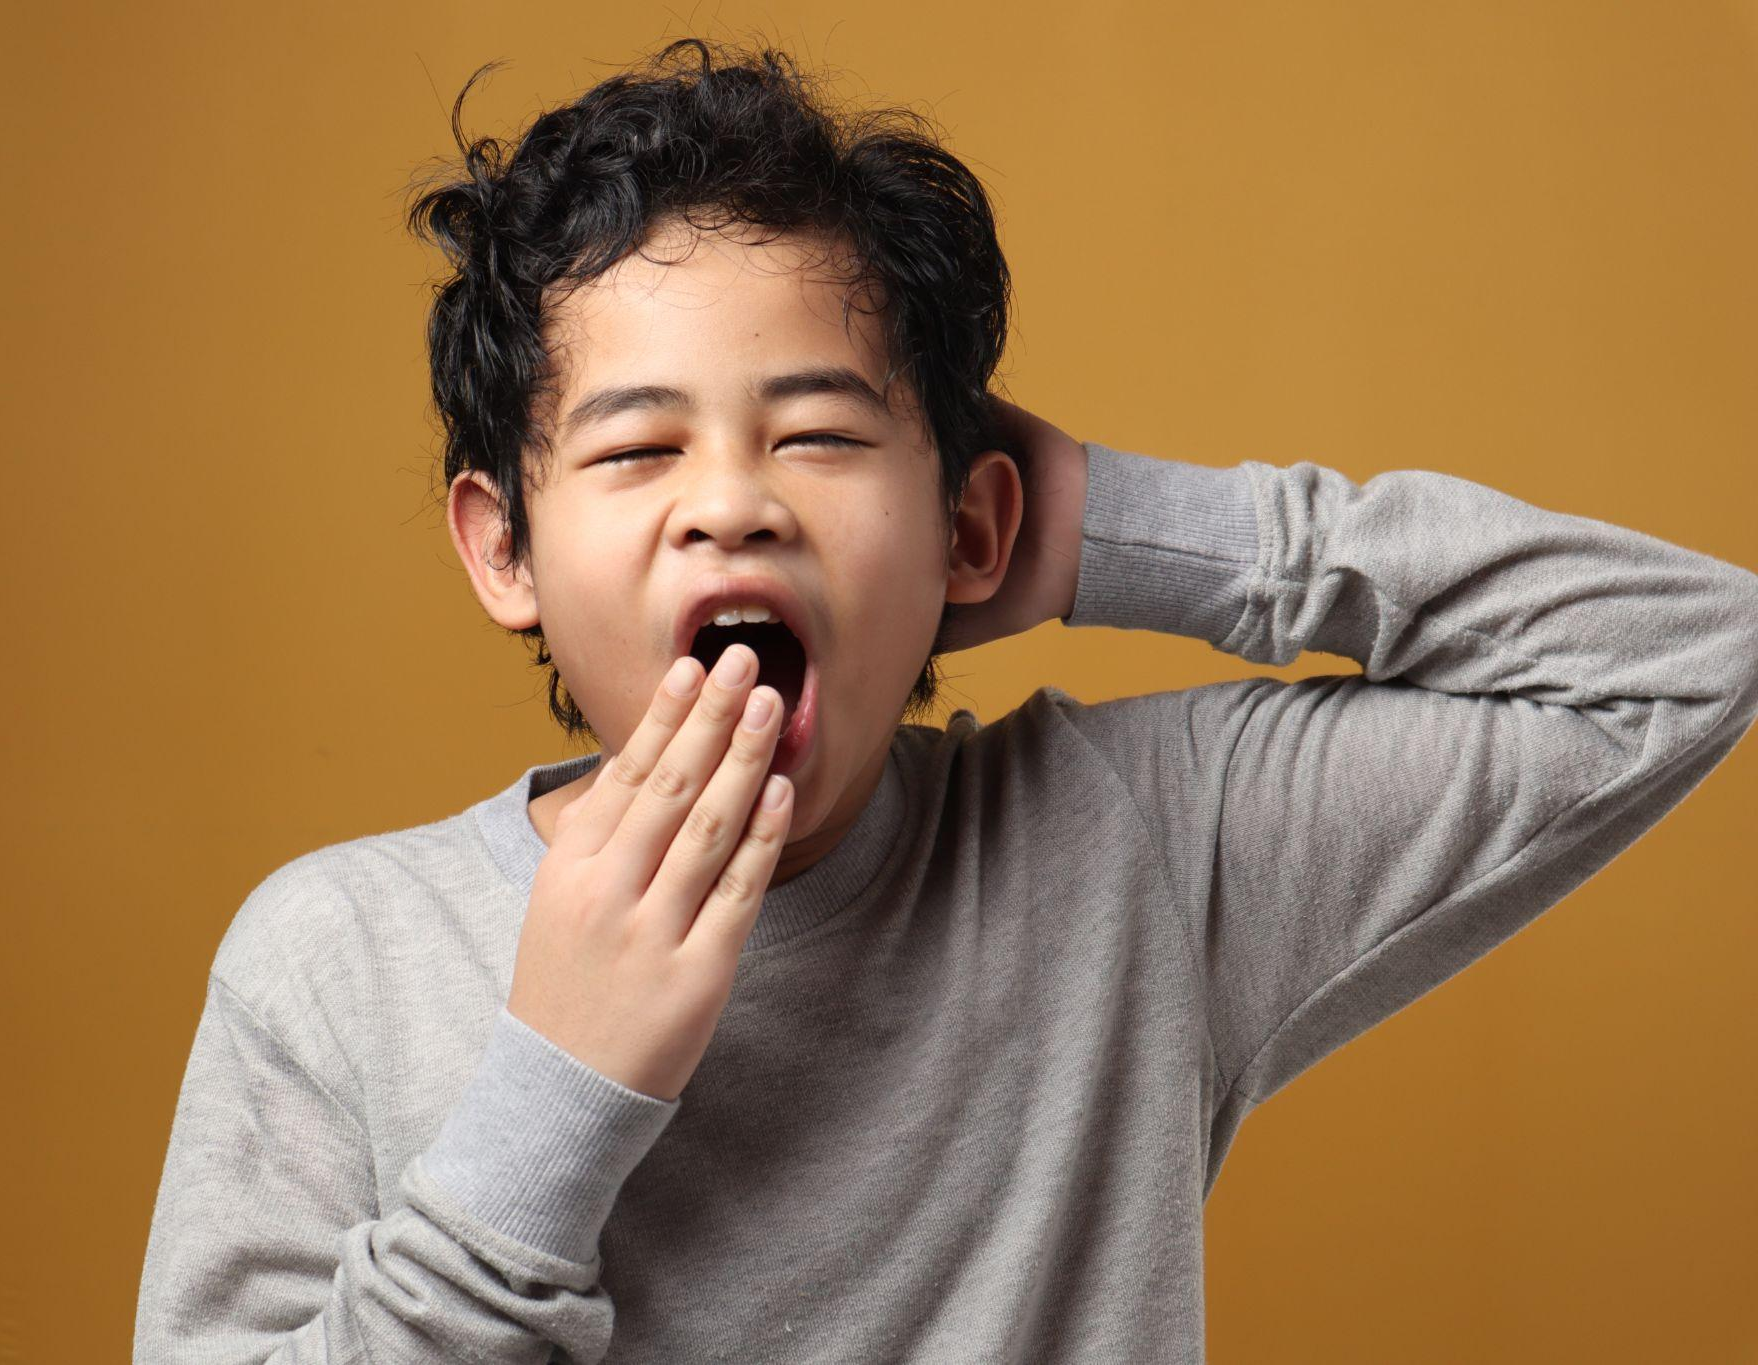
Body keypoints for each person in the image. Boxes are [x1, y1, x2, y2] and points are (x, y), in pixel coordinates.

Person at [133, 37, 1758, 1364]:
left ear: (968, 528)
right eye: (637, 450)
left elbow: (1690, 651)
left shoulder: (1135, 856)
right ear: (506, 549)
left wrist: (1109, 528)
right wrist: (553, 1102)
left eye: (821, 435)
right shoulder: (335, 960)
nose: (735, 505)